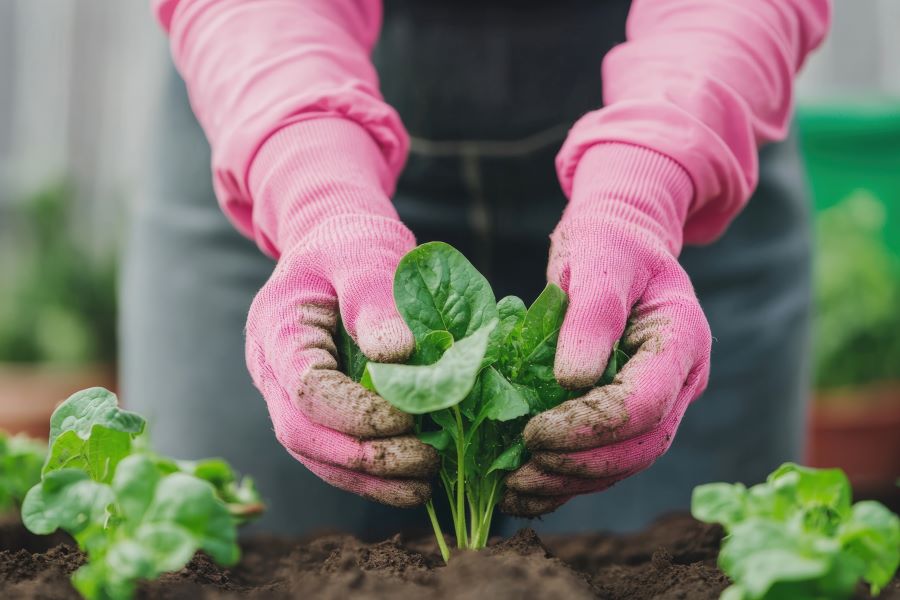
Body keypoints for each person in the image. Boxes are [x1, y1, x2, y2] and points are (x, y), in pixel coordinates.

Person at [123, 0, 830, 536]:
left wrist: (647, 186)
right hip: (275, 101)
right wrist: (313, 188)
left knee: (681, 556)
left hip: (690, 118)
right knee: (246, 550)